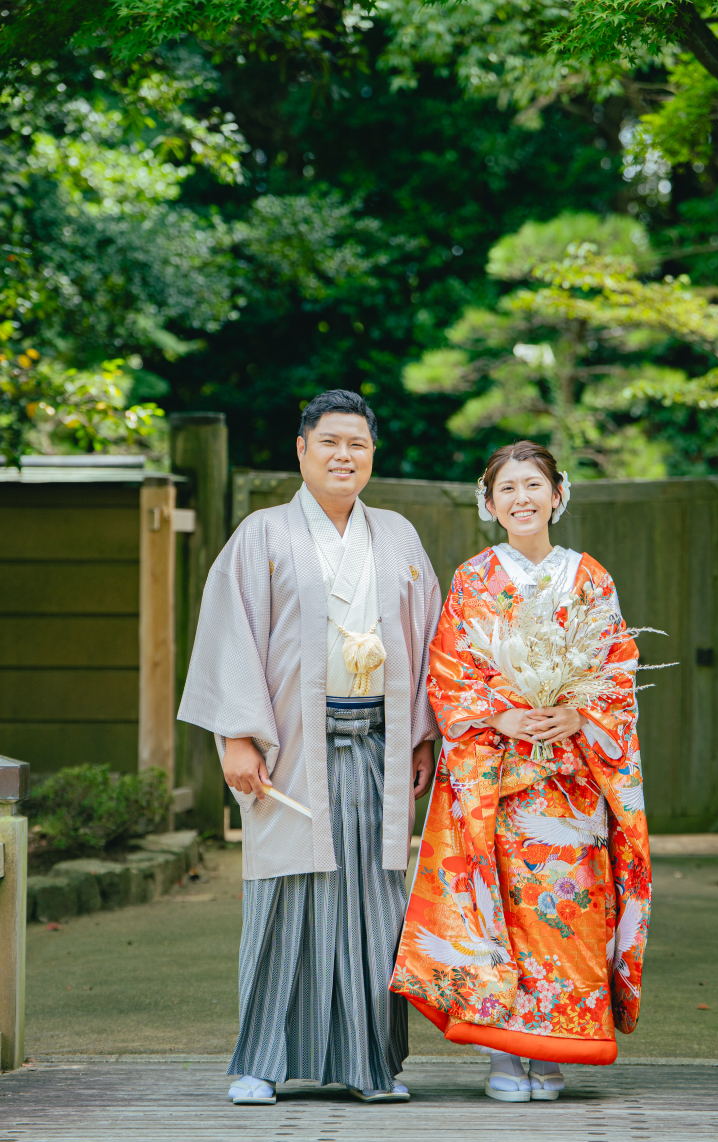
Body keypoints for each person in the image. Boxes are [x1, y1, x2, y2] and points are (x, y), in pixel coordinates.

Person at [178, 389, 441, 1104]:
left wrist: (423, 736)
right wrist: (236, 737)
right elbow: (233, 637)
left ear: (372, 453)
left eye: (357, 443)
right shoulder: (262, 535)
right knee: (285, 894)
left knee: (374, 900)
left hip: (379, 742)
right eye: (329, 442)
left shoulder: (397, 537)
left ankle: (370, 1065)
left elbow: (427, 643)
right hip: (293, 744)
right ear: (302, 450)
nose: (343, 455)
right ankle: (260, 1062)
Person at [391, 441, 651, 1101]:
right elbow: (448, 674)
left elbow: (616, 671)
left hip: (569, 780)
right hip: (501, 777)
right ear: (489, 502)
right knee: (503, 908)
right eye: (507, 488)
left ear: (558, 495)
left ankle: (554, 1048)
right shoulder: (473, 579)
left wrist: (580, 712)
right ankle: (506, 1056)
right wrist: (499, 719)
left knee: (565, 908)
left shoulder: (589, 578)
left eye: (534, 485)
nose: (522, 499)